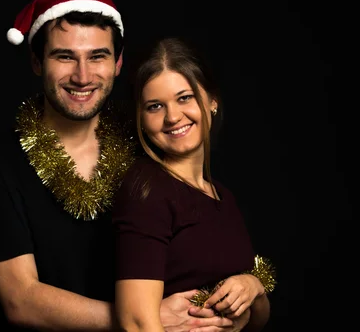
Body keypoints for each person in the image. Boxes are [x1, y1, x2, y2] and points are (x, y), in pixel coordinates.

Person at [0, 0, 241, 331]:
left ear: (118, 62)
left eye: (98, 57)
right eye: (65, 56)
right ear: (36, 61)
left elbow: (209, 237)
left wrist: (253, 285)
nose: (82, 76)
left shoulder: (148, 139)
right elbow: (21, 300)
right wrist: (141, 318)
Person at [112, 37, 276, 332]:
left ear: (212, 101)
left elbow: (254, 322)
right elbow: (136, 323)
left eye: (184, 97)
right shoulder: (146, 191)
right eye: (154, 106)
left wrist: (253, 287)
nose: (173, 117)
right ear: (140, 118)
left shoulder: (221, 196)